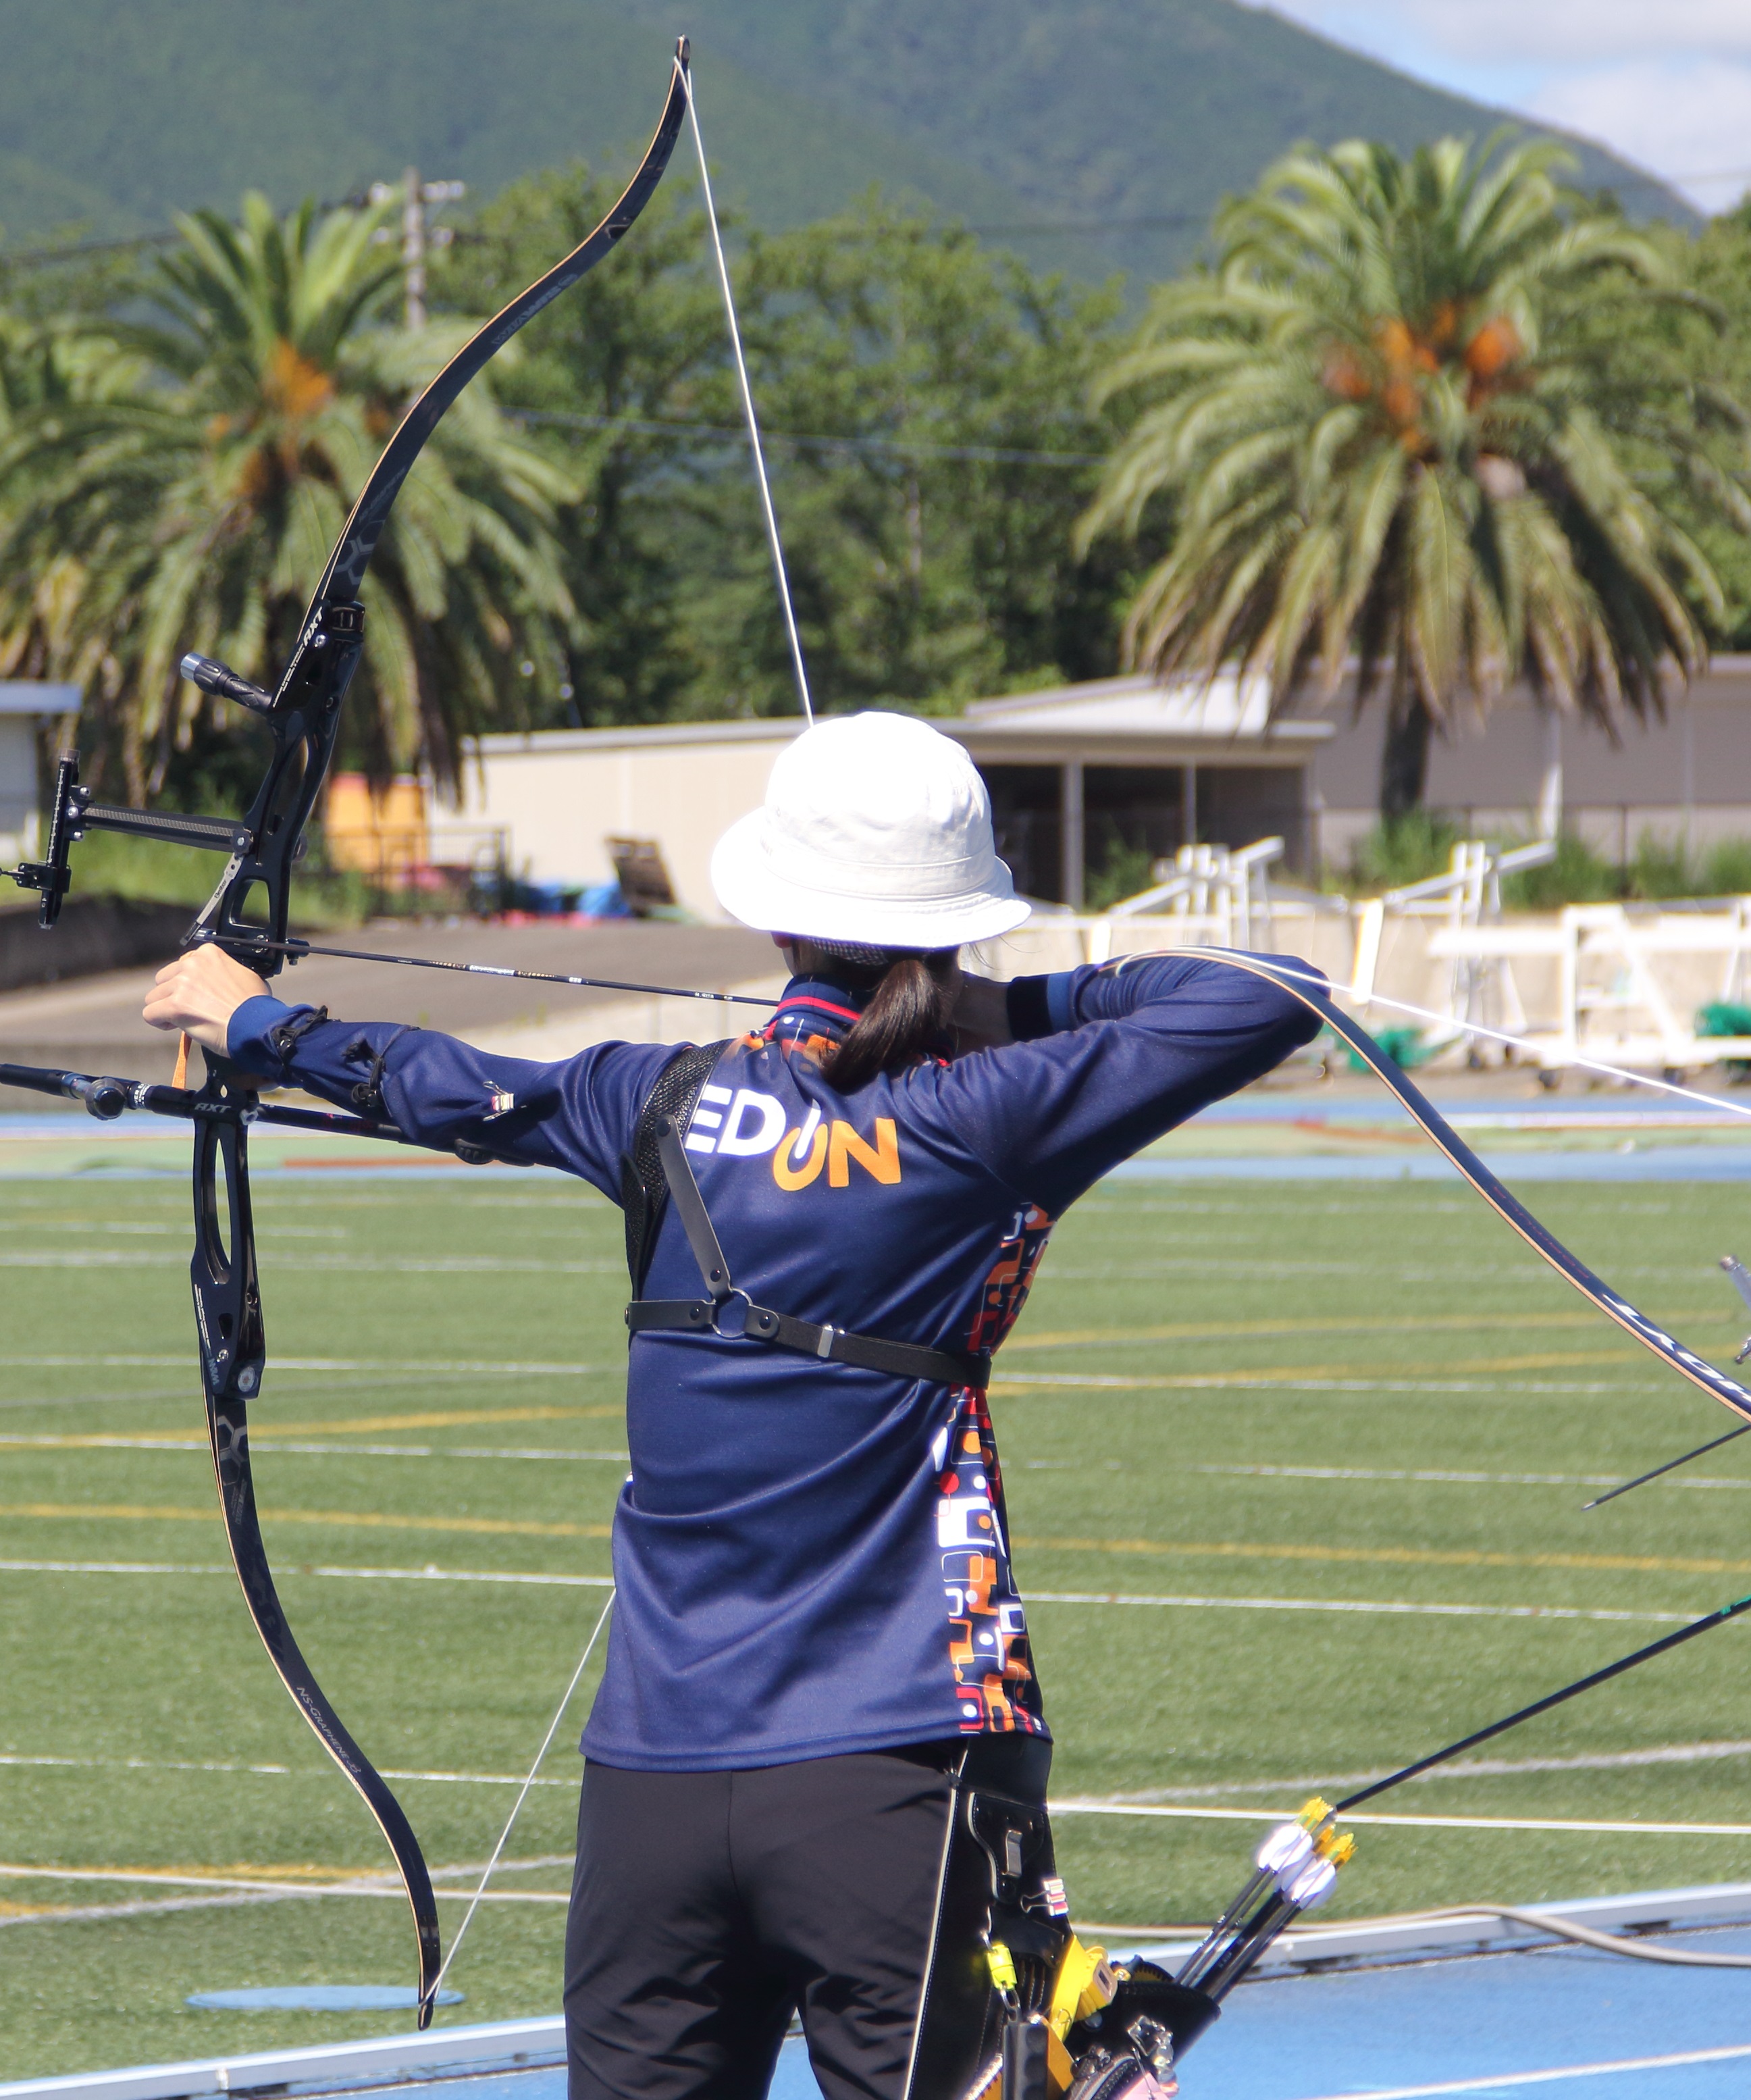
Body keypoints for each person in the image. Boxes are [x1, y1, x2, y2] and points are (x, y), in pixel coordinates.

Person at [143, 711, 1319, 2100]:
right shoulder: (985, 1111)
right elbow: (1269, 991)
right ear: (955, 928)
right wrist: (997, 1005)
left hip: (653, 1785)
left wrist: (250, 1018)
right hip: (896, 1765)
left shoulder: (655, 1098)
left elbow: (449, 1088)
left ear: (776, 925)